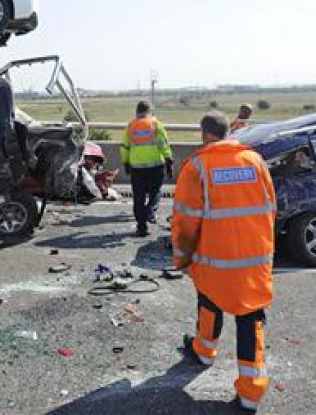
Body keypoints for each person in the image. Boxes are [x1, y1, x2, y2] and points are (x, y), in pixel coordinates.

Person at [172, 110, 277, 413]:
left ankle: (205, 351)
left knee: (209, 300)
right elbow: (271, 208)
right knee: (250, 317)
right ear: (229, 131)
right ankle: (251, 393)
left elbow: (186, 222)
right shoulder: (255, 161)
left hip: (215, 262)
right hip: (254, 259)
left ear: (204, 134)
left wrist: (182, 259)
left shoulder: (197, 166)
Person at [120, 101, 173, 237]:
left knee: (138, 197)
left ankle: (141, 226)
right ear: (150, 111)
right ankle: (150, 212)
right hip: (155, 166)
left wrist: (125, 162)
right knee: (155, 192)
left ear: (137, 112)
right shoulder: (156, 124)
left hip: (137, 168)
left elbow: (124, 146)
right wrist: (169, 160)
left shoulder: (131, 126)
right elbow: (164, 144)